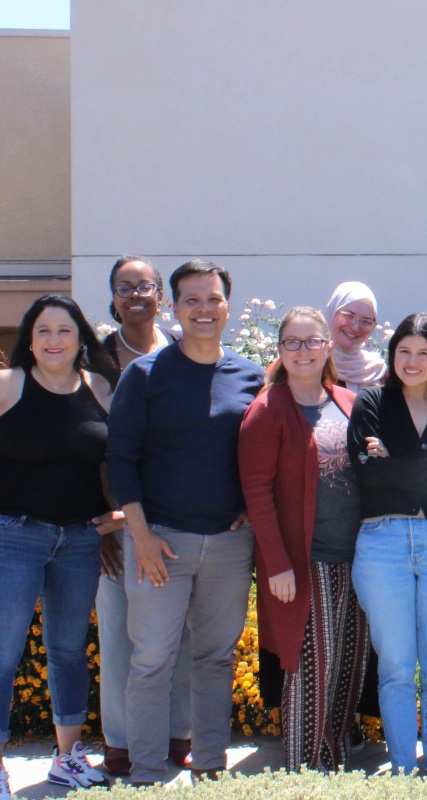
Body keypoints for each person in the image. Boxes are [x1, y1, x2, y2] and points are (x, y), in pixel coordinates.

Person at [106, 260, 264, 785]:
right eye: (191, 299)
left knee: (215, 658)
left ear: (227, 306)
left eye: (213, 298)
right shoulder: (145, 374)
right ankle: (148, 774)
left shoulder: (249, 374)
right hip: (160, 543)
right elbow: (121, 459)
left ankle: (212, 767)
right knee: (150, 660)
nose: (203, 308)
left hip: (228, 543)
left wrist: (248, 503)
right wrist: (142, 537)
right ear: (174, 307)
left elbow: (260, 451)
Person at [239, 307, 369, 772]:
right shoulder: (267, 409)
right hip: (302, 560)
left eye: (311, 341)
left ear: (327, 346)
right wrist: (277, 564)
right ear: (279, 351)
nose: (303, 351)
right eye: (292, 343)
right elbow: (256, 493)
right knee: (311, 666)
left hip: (354, 558)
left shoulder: (347, 401)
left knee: (348, 664)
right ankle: (303, 767)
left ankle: (334, 759)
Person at [347, 313, 427, 777]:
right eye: (404, 350)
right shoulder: (372, 403)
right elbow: (367, 472)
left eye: (424, 352)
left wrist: (397, 467)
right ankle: (403, 768)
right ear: (392, 354)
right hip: (382, 542)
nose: (412, 360)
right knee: (397, 665)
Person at [0, 295, 117, 794]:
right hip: (14, 536)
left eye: (64, 331)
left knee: (68, 650)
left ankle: (67, 757)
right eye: (43, 330)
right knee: (3, 653)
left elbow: (119, 461)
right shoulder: (9, 385)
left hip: (79, 542)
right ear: (29, 338)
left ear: (80, 338)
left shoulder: (101, 388)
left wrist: (117, 517)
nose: (54, 340)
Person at [96, 256, 190, 776]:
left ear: (161, 297)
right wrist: (104, 519)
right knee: (120, 634)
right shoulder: (97, 362)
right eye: (124, 287)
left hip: (178, 519)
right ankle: (121, 741)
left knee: (180, 635)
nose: (136, 295)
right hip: (115, 524)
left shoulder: (184, 354)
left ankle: (179, 733)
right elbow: (88, 445)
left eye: (145, 286)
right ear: (112, 297)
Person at [324, 282, 387, 392]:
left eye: (365, 321)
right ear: (332, 313)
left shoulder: (378, 372)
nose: (355, 327)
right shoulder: (313, 365)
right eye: (348, 316)